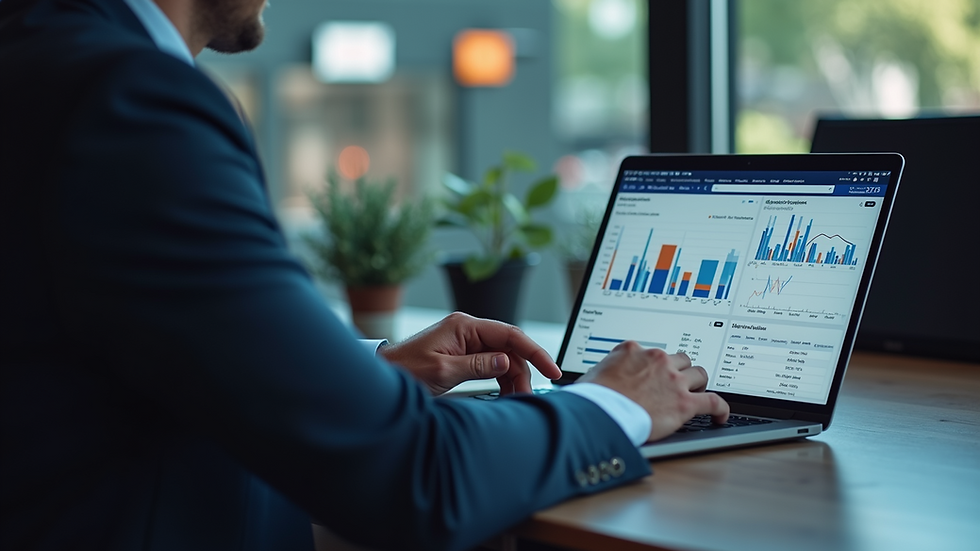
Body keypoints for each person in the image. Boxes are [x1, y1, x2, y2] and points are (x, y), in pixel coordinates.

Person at [0, 0, 730, 550]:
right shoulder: (127, 100)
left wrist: (371, 375)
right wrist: (617, 404)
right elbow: (416, 477)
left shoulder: (39, 58)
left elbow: (121, 362)